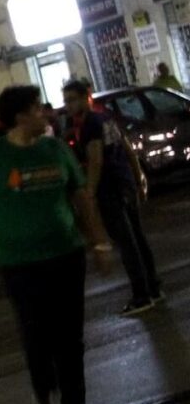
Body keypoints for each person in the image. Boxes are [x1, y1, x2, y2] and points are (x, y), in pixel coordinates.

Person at [0, 85, 112, 404]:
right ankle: (43, 390)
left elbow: (81, 198)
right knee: (36, 333)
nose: (46, 113)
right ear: (20, 116)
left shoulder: (55, 149)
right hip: (20, 262)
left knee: (70, 334)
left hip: (66, 254)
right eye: (38, 108)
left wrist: (99, 242)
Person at [63, 79, 161, 315]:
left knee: (126, 242)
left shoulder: (90, 124)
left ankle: (141, 295)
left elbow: (96, 159)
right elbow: (126, 147)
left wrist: (90, 193)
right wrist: (138, 177)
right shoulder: (105, 117)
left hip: (110, 187)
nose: (68, 106)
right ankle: (154, 287)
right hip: (124, 182)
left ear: (86, 97)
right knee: (137, 237)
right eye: (66, 101)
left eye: (72, 100)